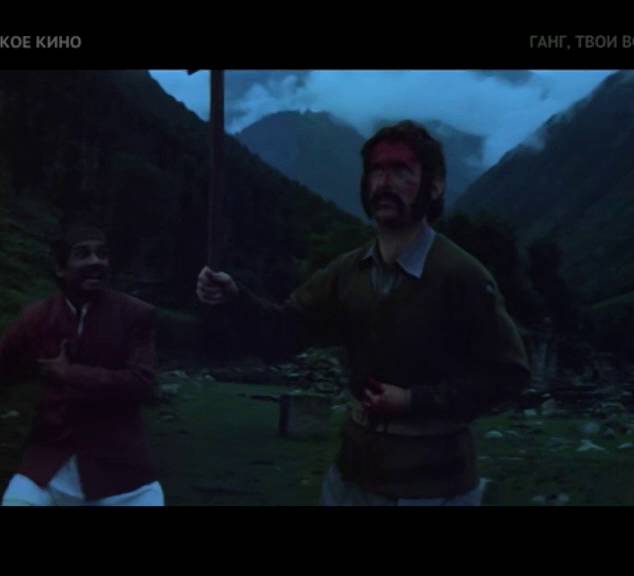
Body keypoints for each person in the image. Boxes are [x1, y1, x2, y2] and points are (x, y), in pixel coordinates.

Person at [196, 121, 531, 505]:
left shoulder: (462, 276)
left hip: (435, 488)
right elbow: (285, 332)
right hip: (352, 480)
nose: (384, 183)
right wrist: (234, 298)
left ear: (435, 186)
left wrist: (414, 401)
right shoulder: (347, 272)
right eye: (376, 170)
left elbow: (508, 375)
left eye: (401, 170)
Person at [0, 225, 163, 506]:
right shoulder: (37, 316)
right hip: (49, 464)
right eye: (83, 254)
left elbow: (143, 384)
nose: (96, 262)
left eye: (102, 254)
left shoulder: (136, 315)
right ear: (60, 268)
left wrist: (70, 374)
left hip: (122, 472)